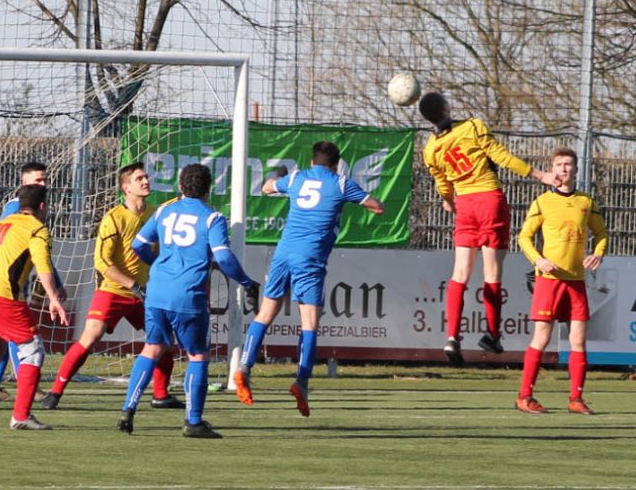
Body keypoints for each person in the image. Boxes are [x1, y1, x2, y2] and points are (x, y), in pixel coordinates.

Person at [232, 141, 384, 416]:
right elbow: (377, 207)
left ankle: (244, 367)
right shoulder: (341, 183)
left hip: (283, 254)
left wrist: (280, 177)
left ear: (313, 162)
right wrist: (352, 201)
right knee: (309, 323)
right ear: (336, 164)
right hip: (310, 258)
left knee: (265, 314)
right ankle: (301, 382)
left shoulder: (298, 177)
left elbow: (267, 187)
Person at [118, 162, 259, 439]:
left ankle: (127, 408)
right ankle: (193, 421)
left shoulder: (163, 211)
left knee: (152, 348)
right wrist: (246, 282)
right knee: (196, 355)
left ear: (181, 187)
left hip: (156, 292)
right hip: (189, 295)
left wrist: (158, 264)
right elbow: (224, 257)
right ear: (208, 190)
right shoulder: (212, 217)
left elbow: (138, 245)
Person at [419, 92, 560, 364]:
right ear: (447, 107)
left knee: (460, 272)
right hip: (488, 200)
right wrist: (540, 174)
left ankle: (451, 337)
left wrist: (449, 202)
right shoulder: (472, 126)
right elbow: (501, 156)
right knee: (492, 272)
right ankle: (492, 334)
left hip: (464, 204)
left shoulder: (430, 149)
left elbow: (442, 184)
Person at [41, 162, 179, 410]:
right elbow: (102, 263)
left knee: (165, 340)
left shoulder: (156, 215)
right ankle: (55, 392)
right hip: (114, 290)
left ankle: (160, 394)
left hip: (144, 292)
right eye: (139, 179)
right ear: (126, 187)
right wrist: (133, 285)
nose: (146, 181)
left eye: (146, 177)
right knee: (91, 337)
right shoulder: (113, 218)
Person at [0, 184, 68, 430]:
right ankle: (21, 415)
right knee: (32, 349)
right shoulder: (37, 228)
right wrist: (52, 297)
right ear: (42, 207)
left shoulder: (1, 225)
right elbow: (43, 264)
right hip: (1, 292)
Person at [515, 148, 608, 415]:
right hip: (549, 281)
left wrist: (599, 253)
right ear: (552, 169)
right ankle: (524, 396)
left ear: (576, 170)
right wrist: (538, 261)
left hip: (576, 281)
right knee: (541, 338)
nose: (564, 169)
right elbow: (524, 238)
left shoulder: (586, 202)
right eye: (559, 165)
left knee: (578, 339)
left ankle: (576, 399)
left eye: (568, 164)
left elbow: (601, 233)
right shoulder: (542, 202)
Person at [0, 161, 56, 401]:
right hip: (7, 285)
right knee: (23, 337)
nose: (43, 184)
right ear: (24, 182)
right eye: (38, 180)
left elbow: (40, 253)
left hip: (10, 283)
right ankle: (29, 388)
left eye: (45, 180)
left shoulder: (35, 209)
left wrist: (56, 282)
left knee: (3, 338)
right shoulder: (16, 208)